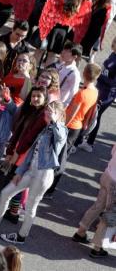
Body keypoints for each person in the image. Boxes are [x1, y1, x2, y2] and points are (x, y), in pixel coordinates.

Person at [0, 101, 67, 244]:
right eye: (47, 110)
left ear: (60, 114)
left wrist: (55, 120)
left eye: (52, 111)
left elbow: (60, 137)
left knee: (31, 206)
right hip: (30, 171)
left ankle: (21, 236)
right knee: (6, 193)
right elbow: (31, 153)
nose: (47, 113)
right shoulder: (45, 129)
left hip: (43, 175)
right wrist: (19, 172)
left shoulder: (61, 129)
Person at [0, 86, 50, 223]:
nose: (35, 99)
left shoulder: (42, 116)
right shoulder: (32, 111)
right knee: (17, 185)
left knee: (8, 185)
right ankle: (13, 212)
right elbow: (18, 133)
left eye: (39, 96)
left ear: (45, 99)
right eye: (33, 96)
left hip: (24, 157)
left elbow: (29, 139)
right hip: (19, 154)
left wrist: (15, 154)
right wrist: (10, 152)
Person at [45, 63, 101, 196]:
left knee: (58, 158)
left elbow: (72, 114)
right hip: (78, 127)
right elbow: (90, 112)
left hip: (69, 127)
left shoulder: (82, 93)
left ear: (84, 74)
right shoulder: (95, 91)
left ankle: (49, 189)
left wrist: (60, 125)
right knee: (61, 156)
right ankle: (49, 188)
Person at [72, 143, 116, 258]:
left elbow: (112, 152)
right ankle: (97, 247)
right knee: (109, 214)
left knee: (98, 206)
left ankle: (80, 232)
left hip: (108, 174)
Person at [78, 36, 116, 152]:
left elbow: (112, 80)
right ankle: (83, 140)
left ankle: (89, 143)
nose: (113, 43)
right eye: (114, 40)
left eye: (115, 42)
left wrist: (101, 77)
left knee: (96, 115)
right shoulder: (112, 55)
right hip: (100, 88)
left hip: (108, 93)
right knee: (92, 113)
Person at [55, 42, 82, 107]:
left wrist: (65, 105)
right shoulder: (61, 65)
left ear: (74, 56)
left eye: (67, 51)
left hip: (59, 103)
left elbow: (73, 93)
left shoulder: (74, 74)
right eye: (64, 49)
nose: (63, 52)